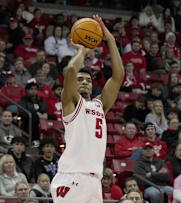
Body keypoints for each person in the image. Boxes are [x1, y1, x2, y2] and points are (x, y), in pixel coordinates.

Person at [50, 15, 124, 203]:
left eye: (88, 80)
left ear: (92, 86)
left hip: (93, 180)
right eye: (80, 80)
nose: (84, 83)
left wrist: (111, 40)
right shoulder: (70, 104)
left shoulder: (100, 105)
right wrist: (82, 51)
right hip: (71, 176)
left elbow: (118, 77)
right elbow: (71, 72)